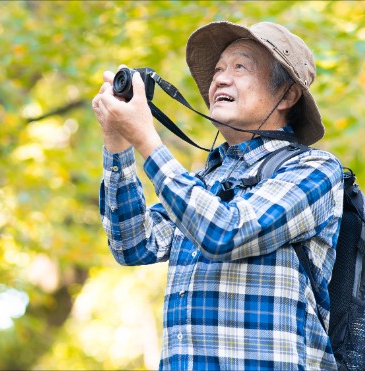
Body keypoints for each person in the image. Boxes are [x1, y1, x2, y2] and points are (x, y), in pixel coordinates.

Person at [92, 20, 343, 370]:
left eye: (240, 67)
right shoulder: (204, 182)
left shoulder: (315, 170)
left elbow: (226, 232)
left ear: (287, 95)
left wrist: (147, 140)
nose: (220, 79)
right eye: (218, 70)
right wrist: (116, 141)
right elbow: (132, 244)